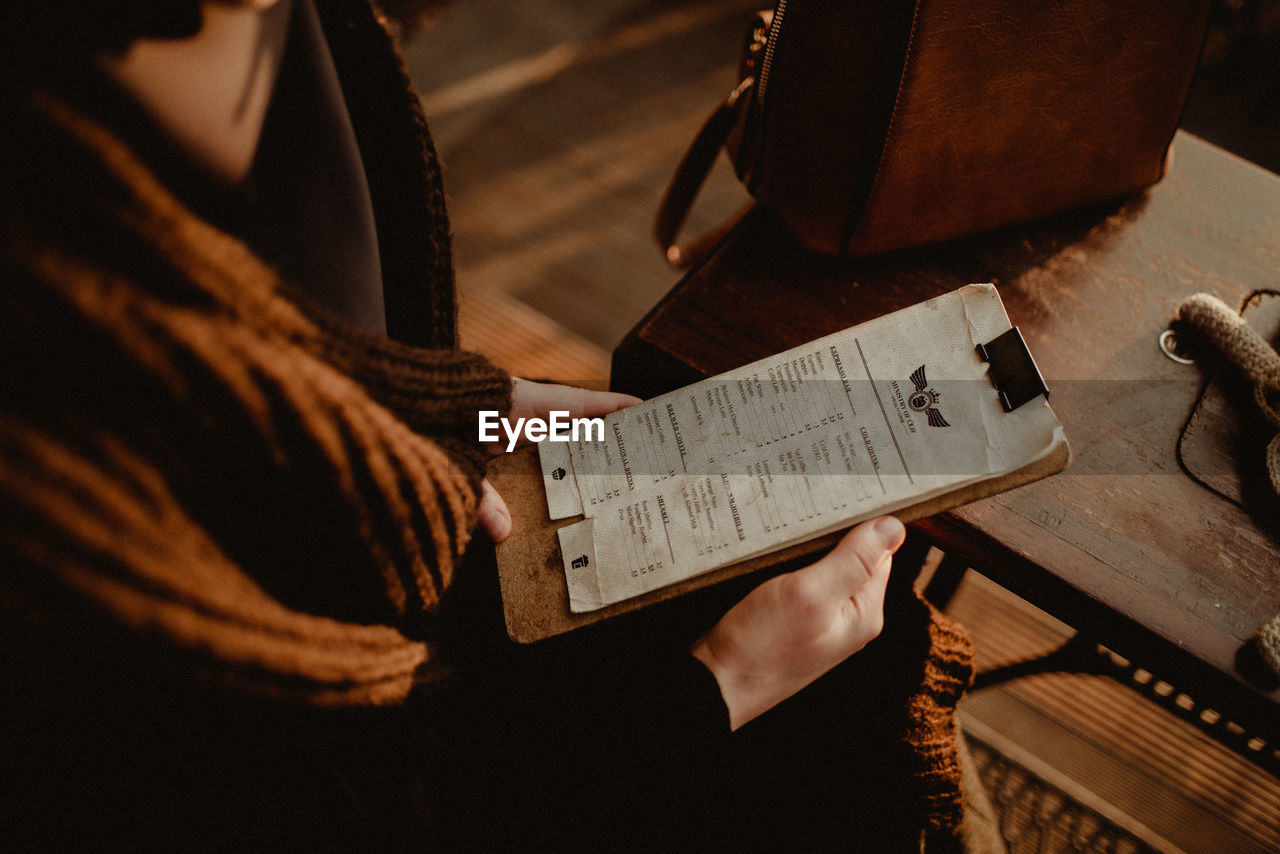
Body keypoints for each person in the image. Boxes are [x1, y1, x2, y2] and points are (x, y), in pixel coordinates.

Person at [0, 1, 982, 849]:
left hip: (413, 565)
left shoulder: (106, 151)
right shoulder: (63, 568)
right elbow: (349, 810)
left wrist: (463, 408)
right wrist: (720, 686)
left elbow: (231, 328)